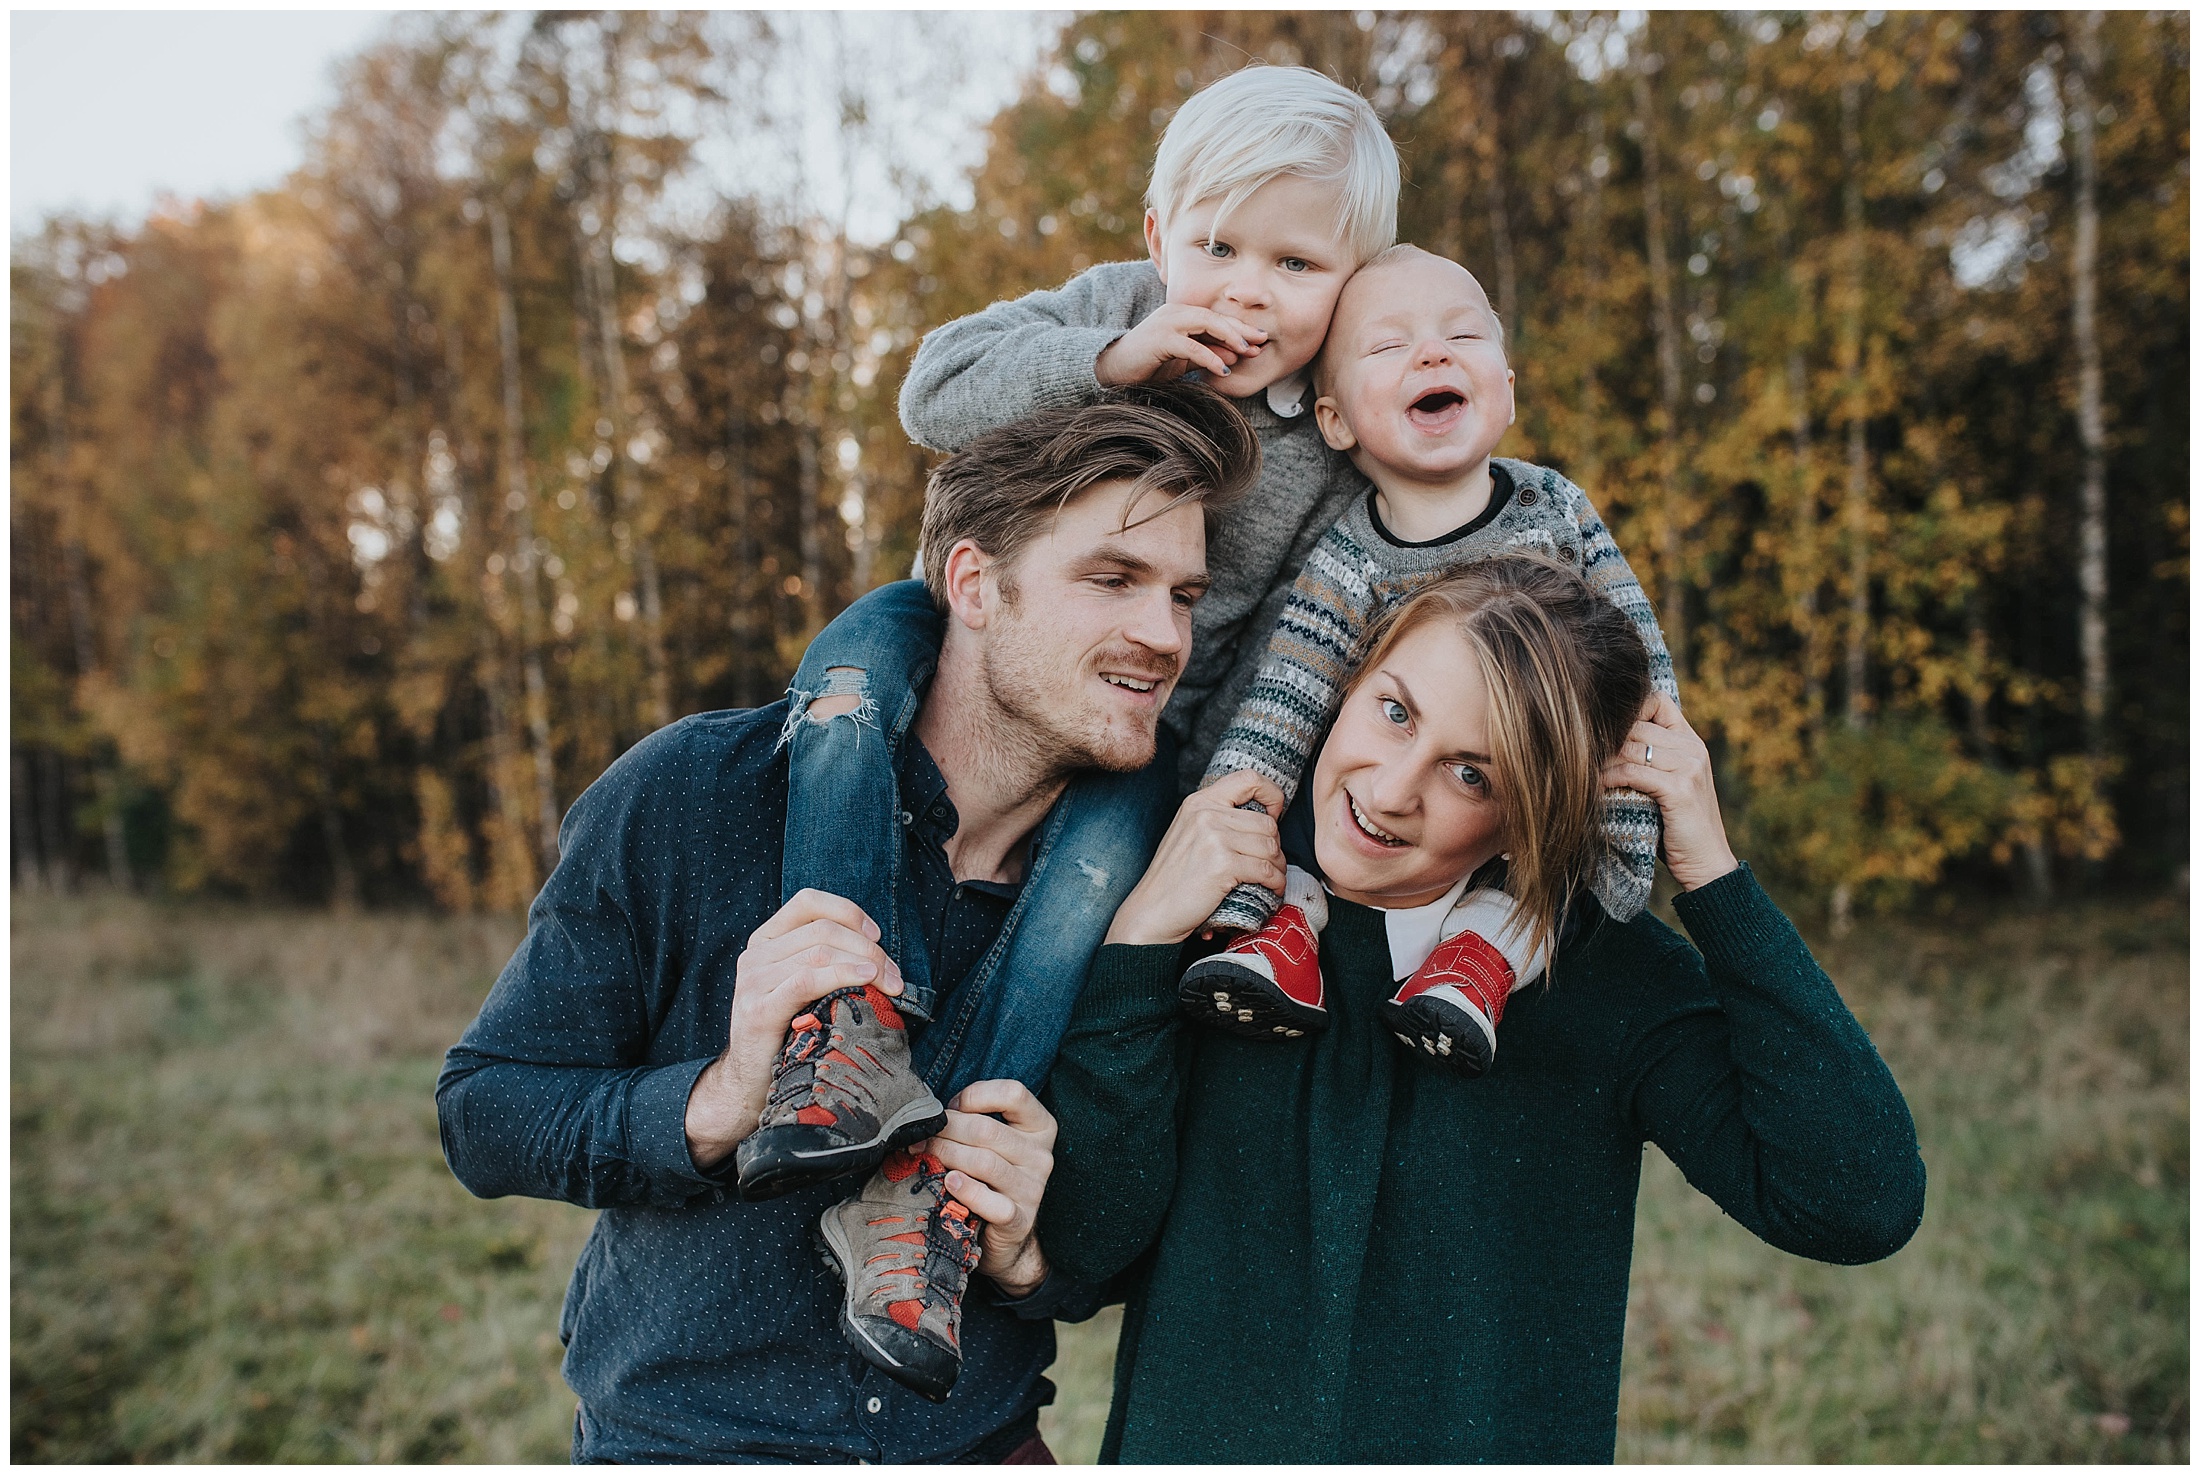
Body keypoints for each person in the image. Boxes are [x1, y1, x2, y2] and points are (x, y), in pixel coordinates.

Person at [435, 384, 1258, 1461]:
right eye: (1112, 578)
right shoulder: (697, 794)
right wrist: (719, 1097)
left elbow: (1113, 1259)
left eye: (1184, 595)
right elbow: (486, 1111)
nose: (1162, 635)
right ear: (975, 582)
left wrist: (1026, 1253)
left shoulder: (1161, 893)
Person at [1035, 557, 1928, 1464]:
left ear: (1535, 811)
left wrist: (1714, 880)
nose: (1389, 790)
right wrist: (1141, 941)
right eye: (1394, 711)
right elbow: (1086, 1242)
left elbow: (1857, 1204)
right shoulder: (1217, 923)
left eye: (1472, 774)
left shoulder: (1601, 977)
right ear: (1346, 683)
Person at [767, 64, 1401, 1127]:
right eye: (1218, 248)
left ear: (1352, 281)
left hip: (1144, 722)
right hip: (953, 625)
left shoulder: (1333, 432)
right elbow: (933, 390)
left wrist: (1209, 783)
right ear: (1159, 238)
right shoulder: (1116, 307)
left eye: (1295, 262)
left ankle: (960, 1128)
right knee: (840, 703)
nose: (1246, 288)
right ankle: (844, 1012)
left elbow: (1288, 639)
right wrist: (1109, 359)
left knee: (1090, 879)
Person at [1181, 244, 1675, 1069]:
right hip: (1369, 829)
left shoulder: (1556, 508)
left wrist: (1630, 831)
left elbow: (1641, 681)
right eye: (1389, 346)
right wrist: (1230, 862)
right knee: (1307, 801)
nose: (1433, 354)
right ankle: (1282, 940)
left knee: (1529, 883)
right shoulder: (1347, 561)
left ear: (1507, 391)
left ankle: (1473, 970)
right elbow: (1280, 710)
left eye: (1462, 336)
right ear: (1336, 420)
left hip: (1521, 812)